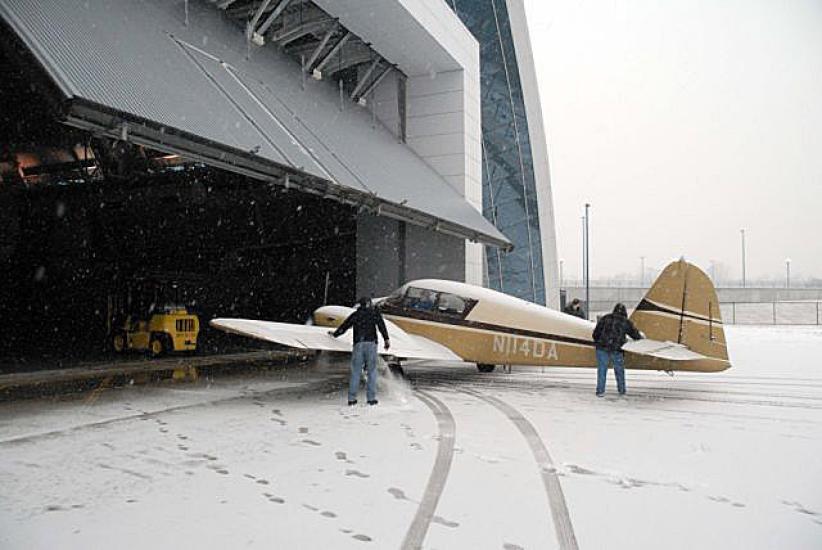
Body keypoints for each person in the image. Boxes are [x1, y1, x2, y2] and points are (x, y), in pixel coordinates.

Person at [330, 297, 390, 406]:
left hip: (358, 344)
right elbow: (381, 326)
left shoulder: (356, 315)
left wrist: (335, 334)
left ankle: (352, 399)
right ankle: (371, 399)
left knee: (356, 372)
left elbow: (345, 326)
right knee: (372, 372)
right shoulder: (374, 313)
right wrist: (386, 339)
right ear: (368, 304)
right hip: (371, 344)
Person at [591, 303, 642, 397]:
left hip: (602, 348)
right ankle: (621, 390)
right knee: (619, 370)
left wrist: (600, 341)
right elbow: (636, 336)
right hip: (616, 349)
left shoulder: (605, 318)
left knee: (602, 370)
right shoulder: (625, 322)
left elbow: (595, 334)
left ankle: (600, 391)